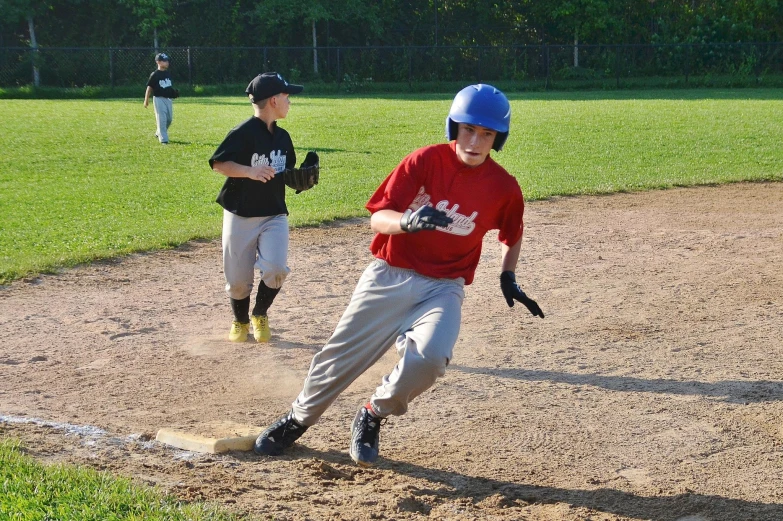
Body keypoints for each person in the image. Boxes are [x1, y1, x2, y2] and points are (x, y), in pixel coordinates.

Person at [255, 83, 544, 467]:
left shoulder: (504, 187)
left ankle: (373, 413)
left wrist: (508, 275)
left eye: (487, 133)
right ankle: (297, 420)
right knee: (338, 358)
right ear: (453, 127)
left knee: (431, 359)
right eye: (468, 129)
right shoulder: (423, 161)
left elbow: (512, 232)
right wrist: (407, 221)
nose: (475, 141)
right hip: (390, 275)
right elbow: (378, 216)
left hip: (444, 288)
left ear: (498, 138)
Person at [209, 72, 318, 343]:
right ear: (273, 101)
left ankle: (259, 313)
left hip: (274, 213)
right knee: (237, 280)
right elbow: (219, 163)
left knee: (276, 268)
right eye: (286, 96)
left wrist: (300, 180)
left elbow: (287, 171)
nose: (290, 101)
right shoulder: (242, 133)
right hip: (240, 213)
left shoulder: (283, 137)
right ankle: (240, 320)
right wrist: (249, 171)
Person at [143, 52, 179, 145]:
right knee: (161, 119)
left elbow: (167, 86)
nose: (166, 62)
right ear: (158, 62)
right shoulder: (155, 74)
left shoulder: (167, 73)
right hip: (159, 99)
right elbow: (149, 87)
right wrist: (146, 100)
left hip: (168, 99)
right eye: (164, 61)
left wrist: (172, 92)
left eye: (167, 60)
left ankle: (158, 132)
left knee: (169, 119)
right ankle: (164, 140)